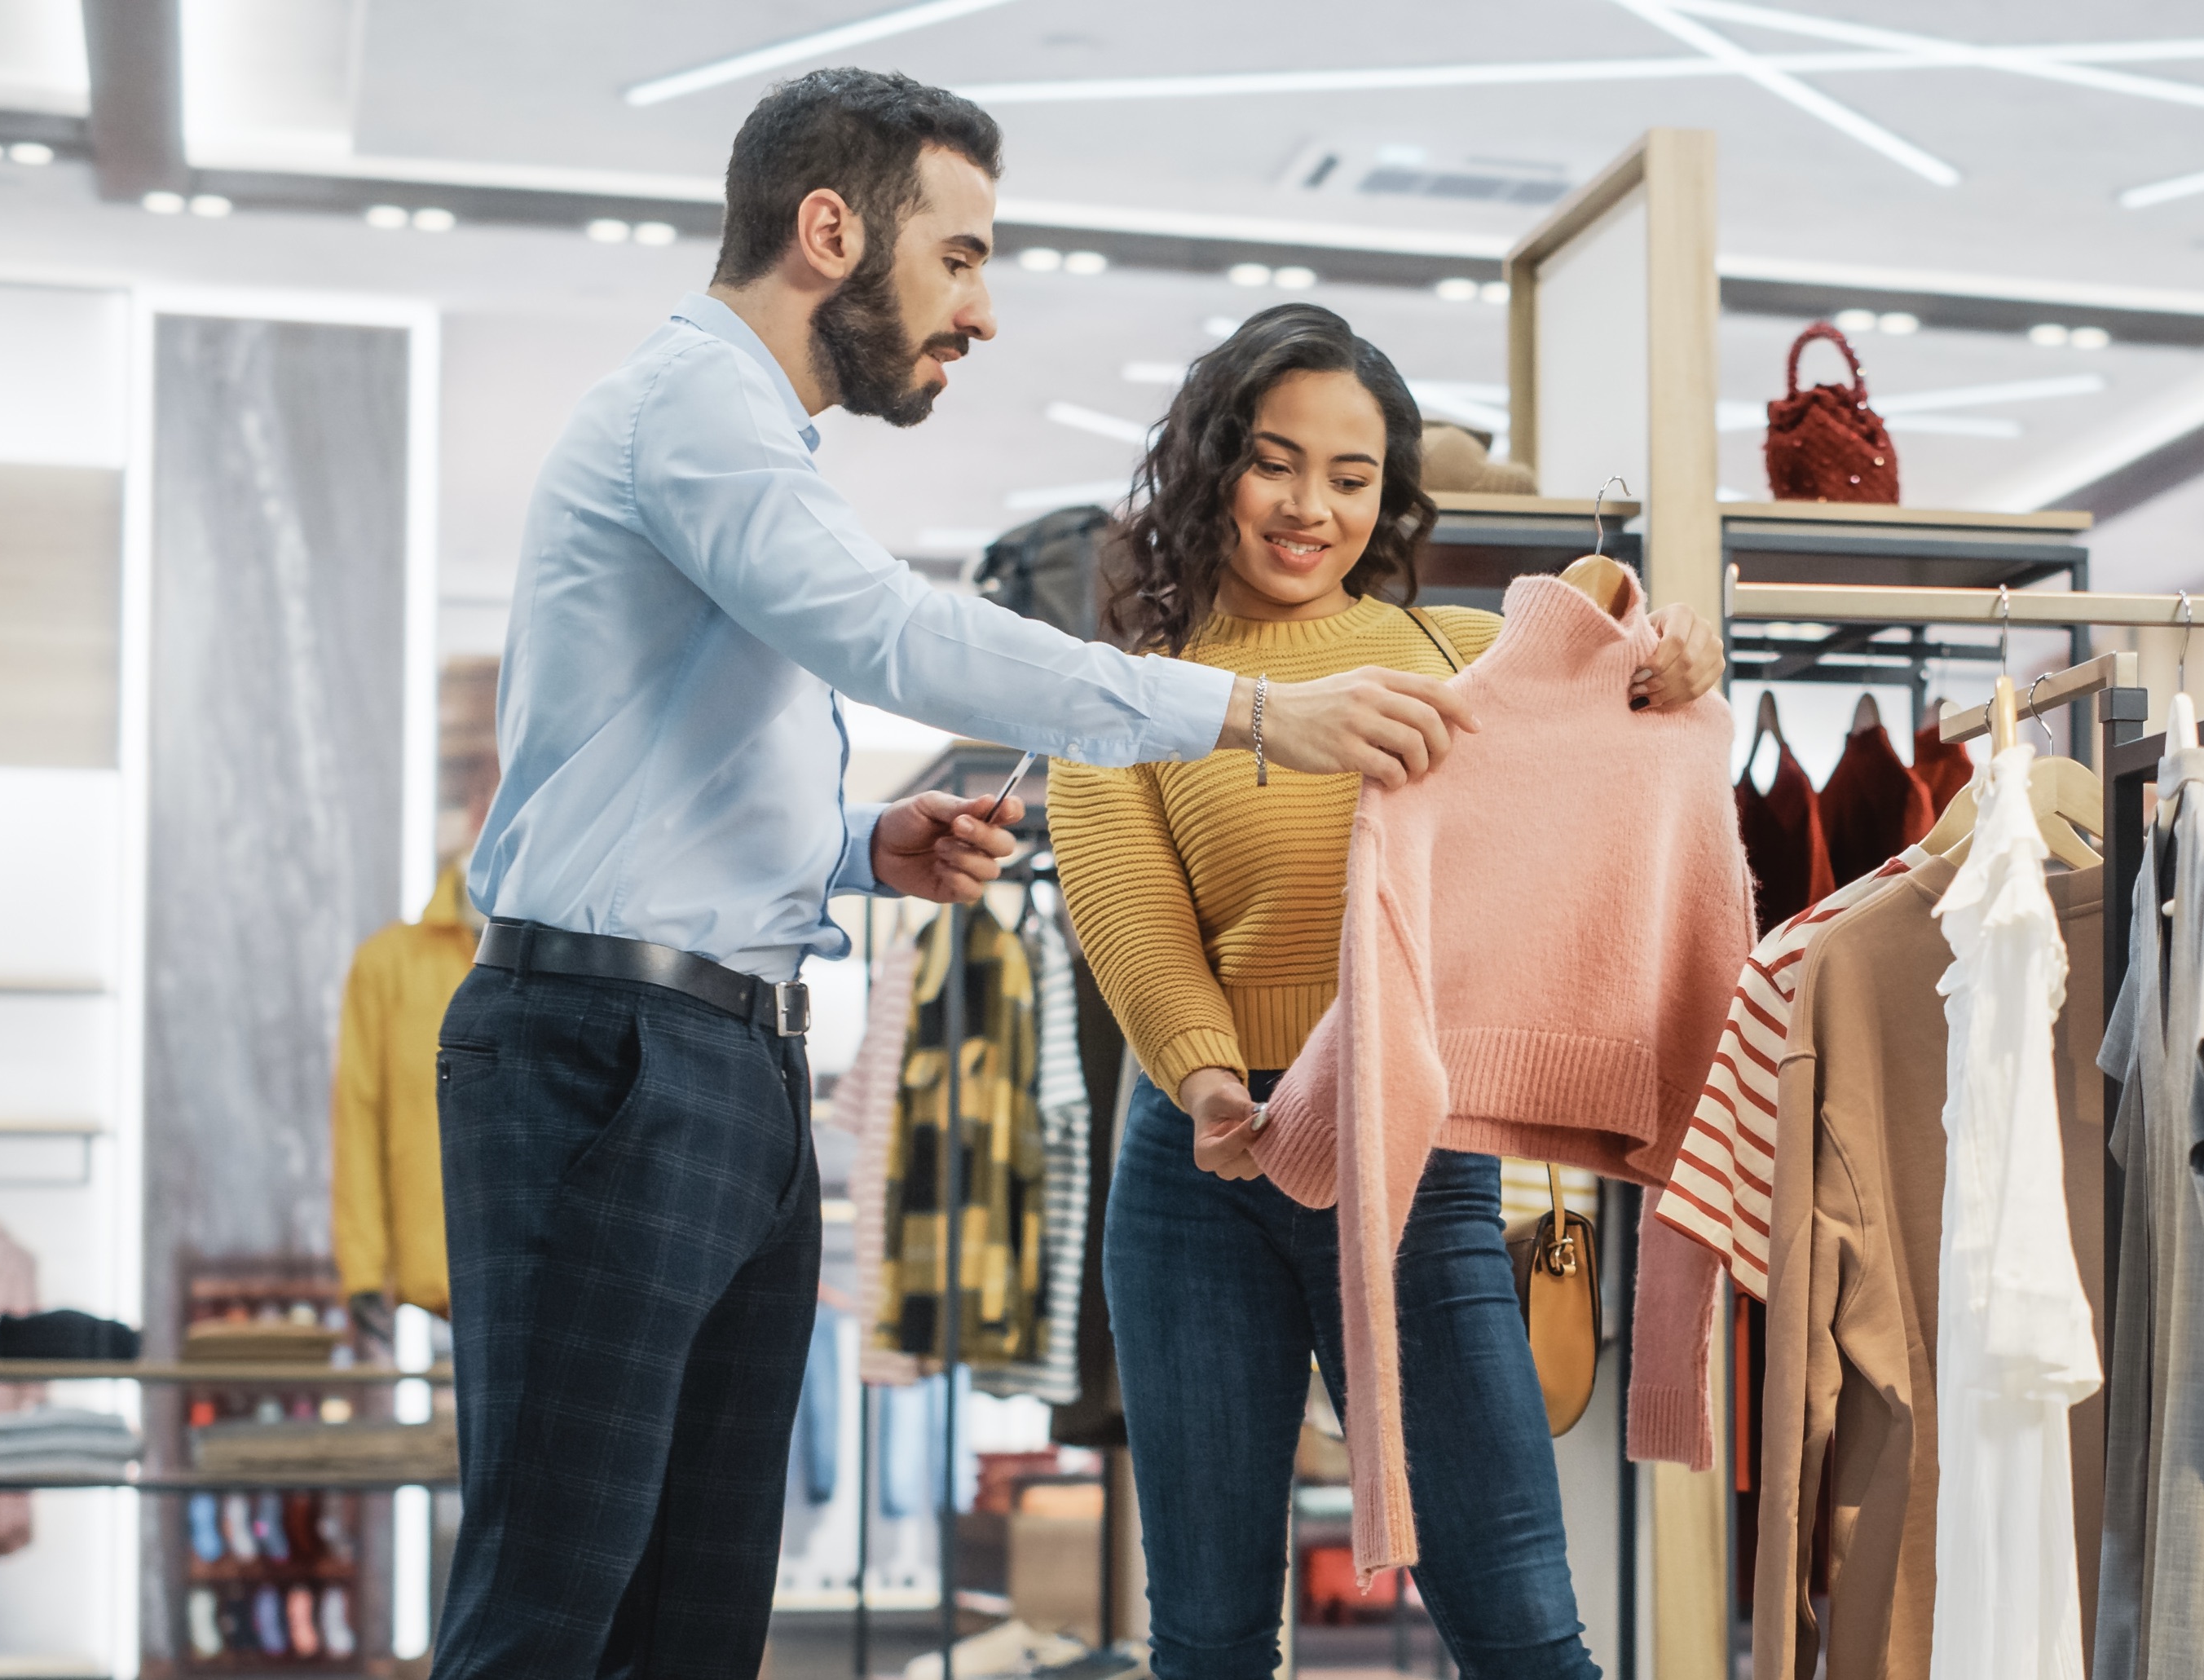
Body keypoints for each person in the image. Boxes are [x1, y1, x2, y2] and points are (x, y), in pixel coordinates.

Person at [431, 72, 1500, 1675]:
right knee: (555, 1596)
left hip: (713, 1052)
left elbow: (654, 773)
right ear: (828, 232)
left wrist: (859, 846)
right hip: (610, 1050)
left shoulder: (748, 438)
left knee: (688, 1611)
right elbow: (894, 634)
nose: (981, 309)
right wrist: (1259, 708)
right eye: (960, 256)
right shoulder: (694, 413)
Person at [1047, 302, 1723, 1680]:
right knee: (1211, 1638)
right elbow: (1131, 917)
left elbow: (1611, 714)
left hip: (1419, 1160)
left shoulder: (1451, 657)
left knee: (1525, 1627)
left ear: (1387, 495)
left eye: (1351, 479)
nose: (1311, 509)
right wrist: (1207, 1077)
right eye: (1275, 463)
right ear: (1208, 466)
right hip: (1201, 1170)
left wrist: (1674, 668)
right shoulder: (1133, 695)